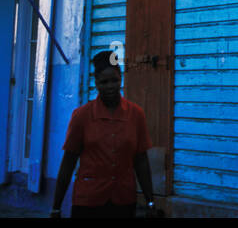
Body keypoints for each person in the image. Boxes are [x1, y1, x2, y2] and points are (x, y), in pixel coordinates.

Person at [50, 51, 159, 218]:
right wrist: (56, 208)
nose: (110, 86)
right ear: (96, 83)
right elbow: (68, 162)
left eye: (114, 80)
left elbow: (141, 161)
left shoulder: (136, 115)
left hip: (123, 201)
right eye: (104, 82)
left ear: (121, 78)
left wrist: (150, 201)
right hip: (88, 202)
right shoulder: (82, 116)